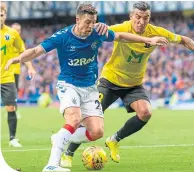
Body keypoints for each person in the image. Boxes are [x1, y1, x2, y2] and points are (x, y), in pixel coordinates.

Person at [5, 3, 168, 172]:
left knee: (97, 132)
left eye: (93, 22)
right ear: (77, 20)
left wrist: (148, 40)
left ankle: (60, 137)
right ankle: (51, 165)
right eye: (87, 22)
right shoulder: (62, 37)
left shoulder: (97, 33)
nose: (91, 26)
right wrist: (17, 59)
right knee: (74, 120)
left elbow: (122, 36)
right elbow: (35, 51)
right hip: (69, 85)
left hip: (90, 88)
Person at [62, 1, 194, 167]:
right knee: (89, 119)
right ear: (131, 16)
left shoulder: (157, 33)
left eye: (145, 18)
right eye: (137, 17)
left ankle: (114, 139)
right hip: (110, 80)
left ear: (149, 18)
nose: (141, 21)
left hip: (133, 84)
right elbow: (95, 32)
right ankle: (68, 152)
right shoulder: (122, 28)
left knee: (145, 112)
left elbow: (184, 40)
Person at [0, 2, 36, 148]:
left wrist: (30, 67)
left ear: (5, 16)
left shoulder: (12, 33)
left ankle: (13, 138)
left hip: (7, 76)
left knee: (11, 107)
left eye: (2, 14)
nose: (0, 17)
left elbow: (22, 52)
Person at [11, 22, 36, 119]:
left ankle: (14, 111)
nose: (17, 32)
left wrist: (30, 68)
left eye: (19, 30)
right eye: (15, 30)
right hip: (3, 71)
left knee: (13, 93)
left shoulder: (20, 43)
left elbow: (25, 57)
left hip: (15, 72)